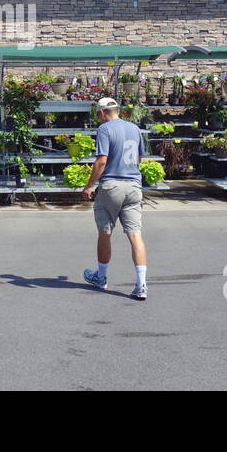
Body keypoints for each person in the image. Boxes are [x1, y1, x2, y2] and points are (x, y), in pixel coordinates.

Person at [81, 97, 149, 301]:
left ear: (102, 113)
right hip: (133, 186)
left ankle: (101, 277)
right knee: (135, 235)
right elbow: (139, 158)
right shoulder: (134, 129)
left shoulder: (105, 129)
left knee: (105, 231)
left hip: (112, 186)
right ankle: (141, 284)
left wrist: (89, 185)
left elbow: (102, 160)